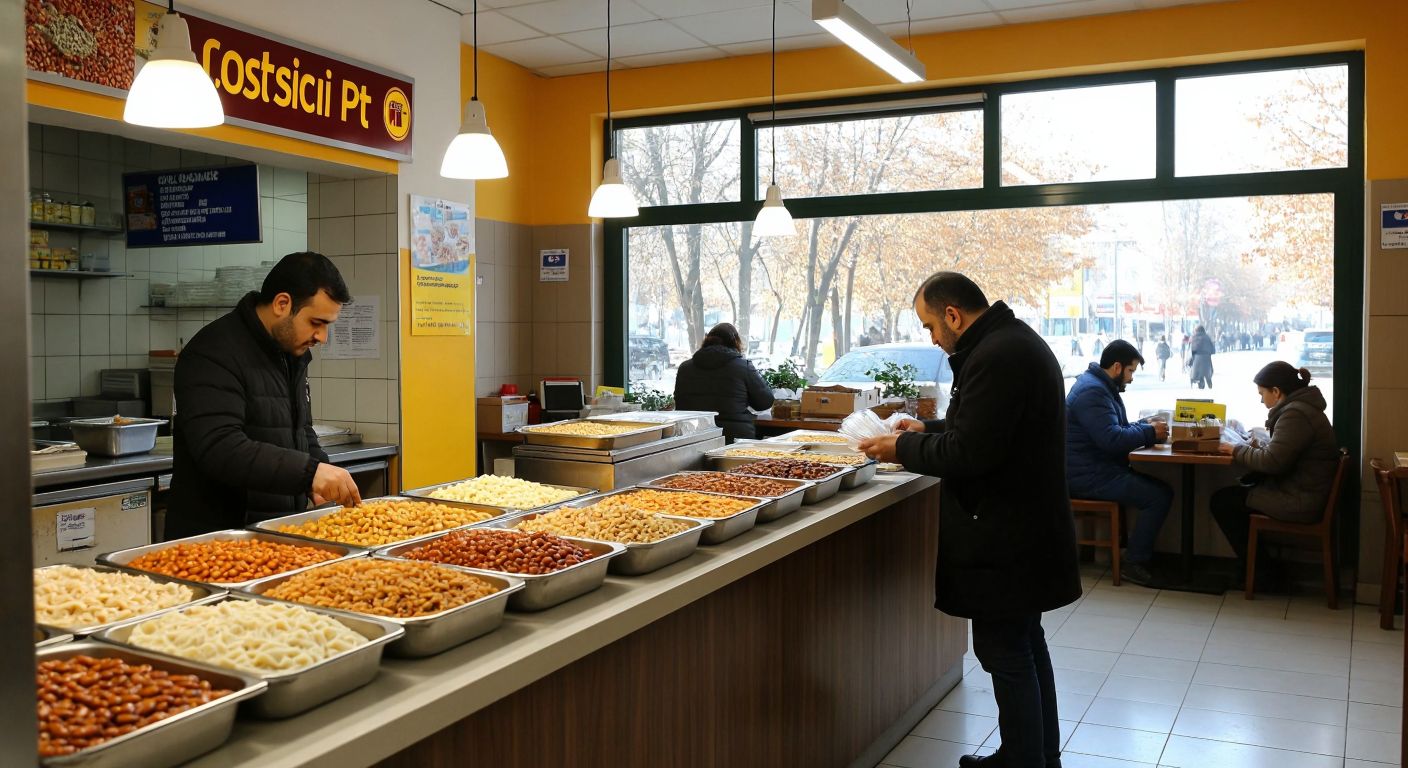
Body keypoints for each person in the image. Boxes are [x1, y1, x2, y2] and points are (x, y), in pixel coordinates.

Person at [858, 272, 1080, 768]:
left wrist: (902, 446)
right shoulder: (1007, 343)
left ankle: (1026, 761)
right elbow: (985, 426)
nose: (932, 338)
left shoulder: (998, 356)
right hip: (1023, 530)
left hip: (1007, 536)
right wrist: (927, 427)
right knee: (1024, 645)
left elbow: (971, 451)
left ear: (953, 315)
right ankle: (1034, 755)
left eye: (930, 326)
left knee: (1007, 652)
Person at [168, 252, 361, 539]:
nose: (322, 337)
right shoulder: (214, 353)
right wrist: (309, 473)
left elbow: (299, 429)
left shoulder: (290, 353)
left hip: (273, 531)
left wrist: (320, 472)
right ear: (282, 304)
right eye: (316, 323)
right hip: (218, 540)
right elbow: (221, 447)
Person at [1211, 362, 1339, 587]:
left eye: (1262, 394)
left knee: (1223, 502)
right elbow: (1282, 453)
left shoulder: (1295, 415)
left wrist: (1236, 449)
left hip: (1298, 499)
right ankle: (1260, 569)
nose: (1261, 400)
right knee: (1229, 498)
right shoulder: (1303, 409)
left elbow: (1273, 462)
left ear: (1276, 392)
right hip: (1301, 491)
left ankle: (1261, 572)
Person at [1065, 340, 1173, 587]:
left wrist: (1145, 425)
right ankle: (1134, 563)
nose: (1131, 378)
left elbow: (1116, 427)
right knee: (1158, 496)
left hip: (1094, 469)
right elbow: (1112, 439)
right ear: (1117, 367)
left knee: (1160, 491)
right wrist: (1149, 433)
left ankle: (1136, 557)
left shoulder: (1097, 386)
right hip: (1086, 476)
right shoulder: (1093, 392)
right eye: (1131, 371)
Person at [673, 322, 774, 441]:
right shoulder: (743, 367)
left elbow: (680, 404)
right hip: (735, 439)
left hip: (693, 438)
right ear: (736, 343)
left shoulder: (684, 368)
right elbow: (765, 402)